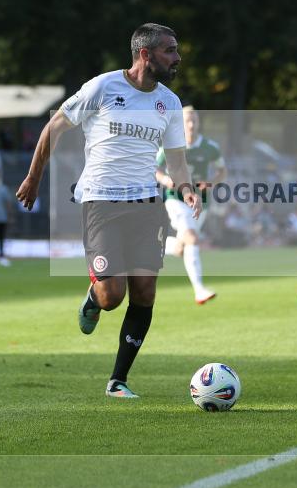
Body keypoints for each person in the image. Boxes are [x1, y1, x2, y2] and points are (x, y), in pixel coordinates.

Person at [16, 23, 200, 399]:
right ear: (145, 54)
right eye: (169, 50)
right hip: (102, 202)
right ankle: (93, 297)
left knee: (144, 292)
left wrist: (186, 189)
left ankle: (118, 380)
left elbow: (177, 162)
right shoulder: (103, 87)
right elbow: (54, 127)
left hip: (147, 206)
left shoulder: (169, 103)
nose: (177, 58)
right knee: (111, 296)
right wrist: (34, 177)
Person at [155, 106, 225, 305]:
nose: (192, 125)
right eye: (187, 121)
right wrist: (165, 179)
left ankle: (154, 245)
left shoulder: (210, 147)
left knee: (182, 247)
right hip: (176, 199)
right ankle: (199, 290)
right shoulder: (171, 144)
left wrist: (211, 183)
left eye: (194, 120)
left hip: (200, 202)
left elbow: (222, 171)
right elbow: (155, 167)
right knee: (192, 238)